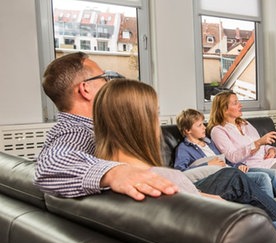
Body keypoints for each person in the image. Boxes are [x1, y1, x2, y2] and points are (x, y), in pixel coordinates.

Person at [92, 78, 276, 230]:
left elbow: (193, 195)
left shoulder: (98, 175)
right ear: (142, 123)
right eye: (156, 114)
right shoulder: (165, 177)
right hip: (222, 233)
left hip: (210, 204)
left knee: (237, 178)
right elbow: (192, 195)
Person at [35, 52, 177, 201]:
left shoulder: (88, 129)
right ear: (85, 89)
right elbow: (49, 166)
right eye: (103, 78)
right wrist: (116, 173)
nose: (108, 82)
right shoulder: (77, 132)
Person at [174, 108, 276, 197]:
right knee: (262, 178)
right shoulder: (184, 149)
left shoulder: (208, 142)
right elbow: (180, 174)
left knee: (273, 173)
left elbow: (226, 159)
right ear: (187, 130)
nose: (204, 127)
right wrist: (207, 165)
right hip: (221, 177)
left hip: (232, 169)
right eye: (199, 125)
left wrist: (239, 165)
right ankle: (273, 217)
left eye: (203, 124)